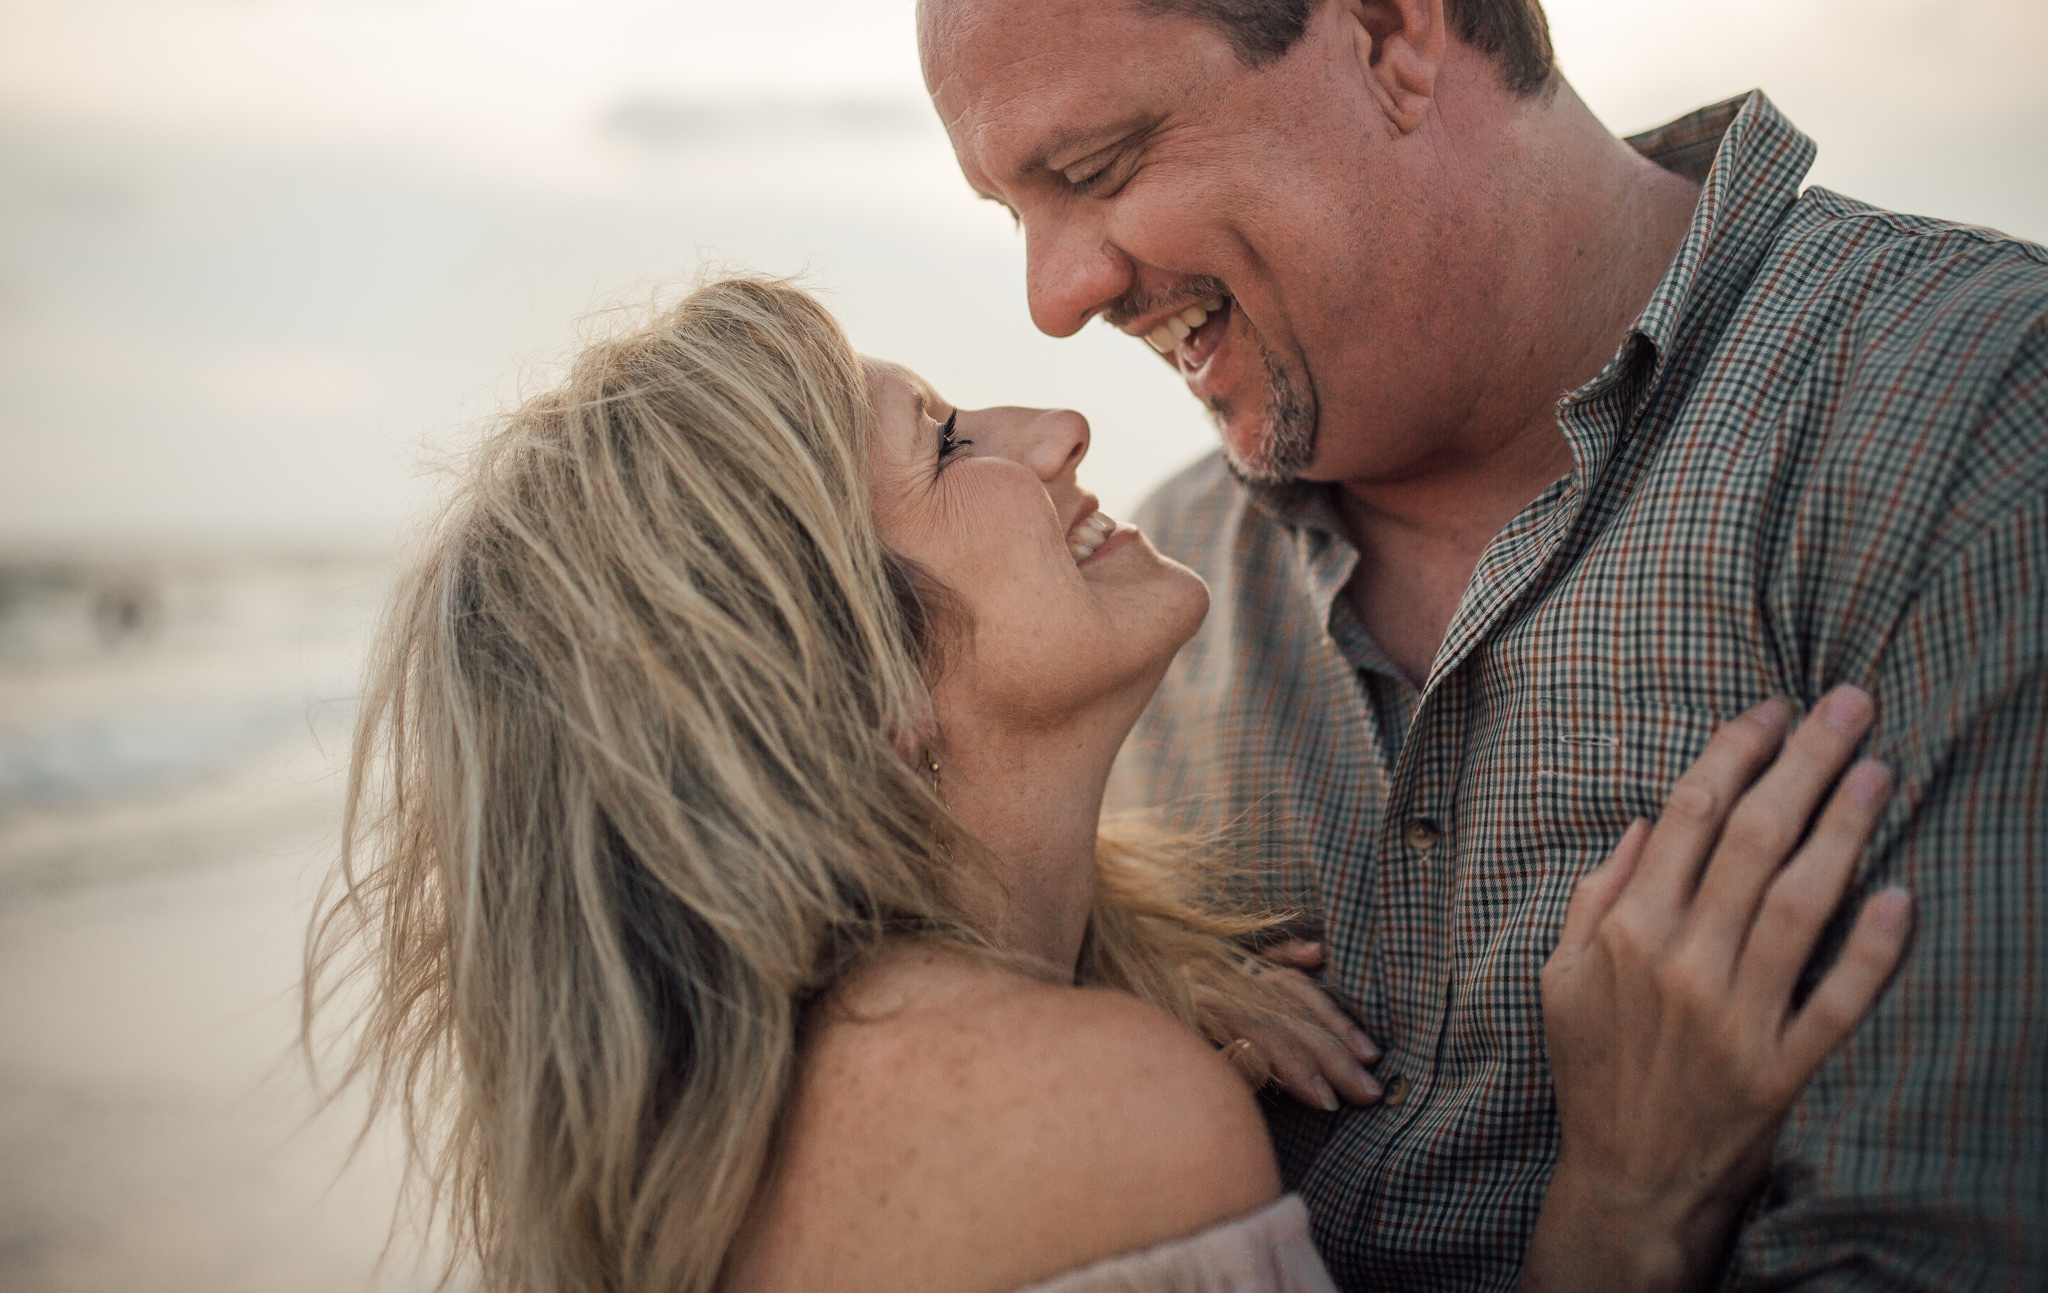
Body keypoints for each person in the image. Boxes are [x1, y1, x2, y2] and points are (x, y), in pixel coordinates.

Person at [307, 277, 1909, 1293]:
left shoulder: (803, 1100)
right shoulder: (1074, 1119)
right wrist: (1625, 1205)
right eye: (943, 446)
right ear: (846, 681)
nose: (1064, 424)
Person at [907, 0, 2048, 1287]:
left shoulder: (1971, 424)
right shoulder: (1150, 602)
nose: (1054, 297)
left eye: (1096, 171)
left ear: (1383, 20)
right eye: (1013, 214)